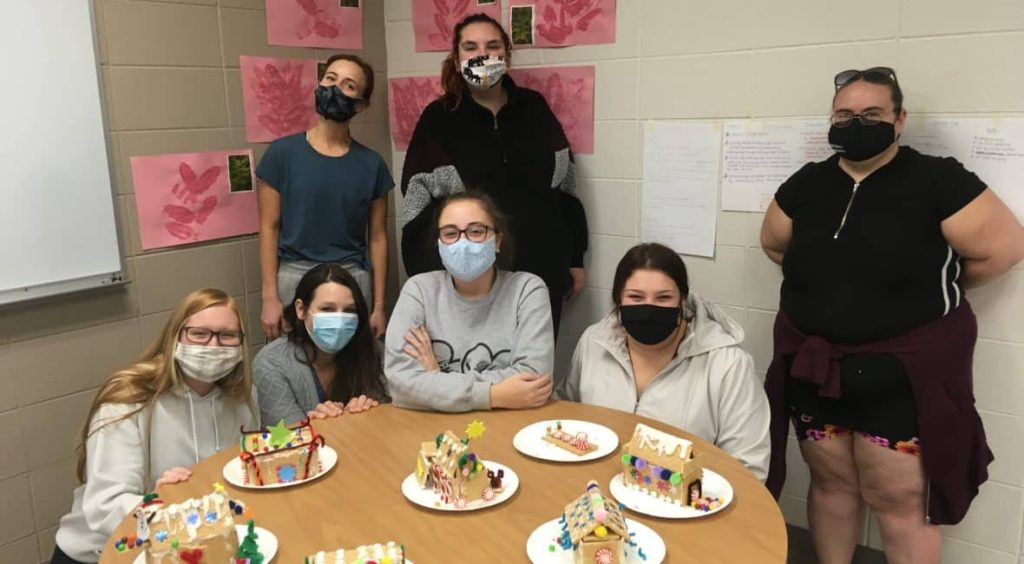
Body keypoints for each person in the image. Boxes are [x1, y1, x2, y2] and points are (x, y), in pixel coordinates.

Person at [760, 67, 1024, 564]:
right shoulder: (808, 183)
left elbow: (1004, 249)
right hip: (819, 372)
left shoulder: (937, 179)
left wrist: (929, 289)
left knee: (899, 503)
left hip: (899, 381)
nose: (855, 123)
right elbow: (774, 244)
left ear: (899, 120)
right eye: (844, 114)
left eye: (871, 114)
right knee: (830, 486)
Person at [399, 13, 588, 335]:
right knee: (475, 380)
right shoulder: (438, 118)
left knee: (533, 377)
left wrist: (575, 258)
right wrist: (427, 278)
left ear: (507, 56)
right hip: (467, 283)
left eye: (492, 45)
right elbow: (416, 205)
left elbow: (566, 188)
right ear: (457, 60)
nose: (482, 54)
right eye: (470, 47)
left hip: (541, 272)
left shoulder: (535, 107)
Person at [51, 289, 259, 564]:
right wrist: (164, 503)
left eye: (227, 336)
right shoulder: (129, 400)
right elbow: (104, 506)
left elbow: (246, 470)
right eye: (199, 334)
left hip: (196, 543)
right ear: (175, 337)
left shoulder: (242, 397)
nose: (213, 347)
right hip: (105, 552)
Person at [560, 243, 770, 480]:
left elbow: (748, 469)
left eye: (663, 298)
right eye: (636, 297)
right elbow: (567, 416)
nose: (649, 308)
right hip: (597, 491)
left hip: (684, 503)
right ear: (618, 300)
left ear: (682, 301)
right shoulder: (594, 342)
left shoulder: (728, 365)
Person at [257, 53, 394, 341]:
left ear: (361, 105)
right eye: (330, 79)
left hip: (351, 279)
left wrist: (380, 306)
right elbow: (269, 228)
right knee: (293, 368)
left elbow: (379, 238)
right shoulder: (282, 154)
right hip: (294, 277)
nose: (335, 88)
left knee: (352, 371)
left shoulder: (372, 165)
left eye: (348, 85)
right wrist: (269, 297)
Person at [385, 192, 554, 412]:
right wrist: (492, 394)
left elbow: (533, 381)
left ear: (497, 241)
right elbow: (400, 385)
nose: (462, 242)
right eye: (450, 233)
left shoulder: (527, 290)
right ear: (440, 244)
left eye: (476, 232)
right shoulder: (419, 291)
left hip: (509, 426)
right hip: (437, 430)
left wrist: (436, 379)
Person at [254, 263, 387, 425]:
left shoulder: (372, 350)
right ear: (301, 309)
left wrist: (369, 411)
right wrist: (330, 423)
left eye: (349, 311)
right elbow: (289, 435)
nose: (339, 320)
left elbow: (391, 415)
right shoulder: (271, 363)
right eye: (327, 309)